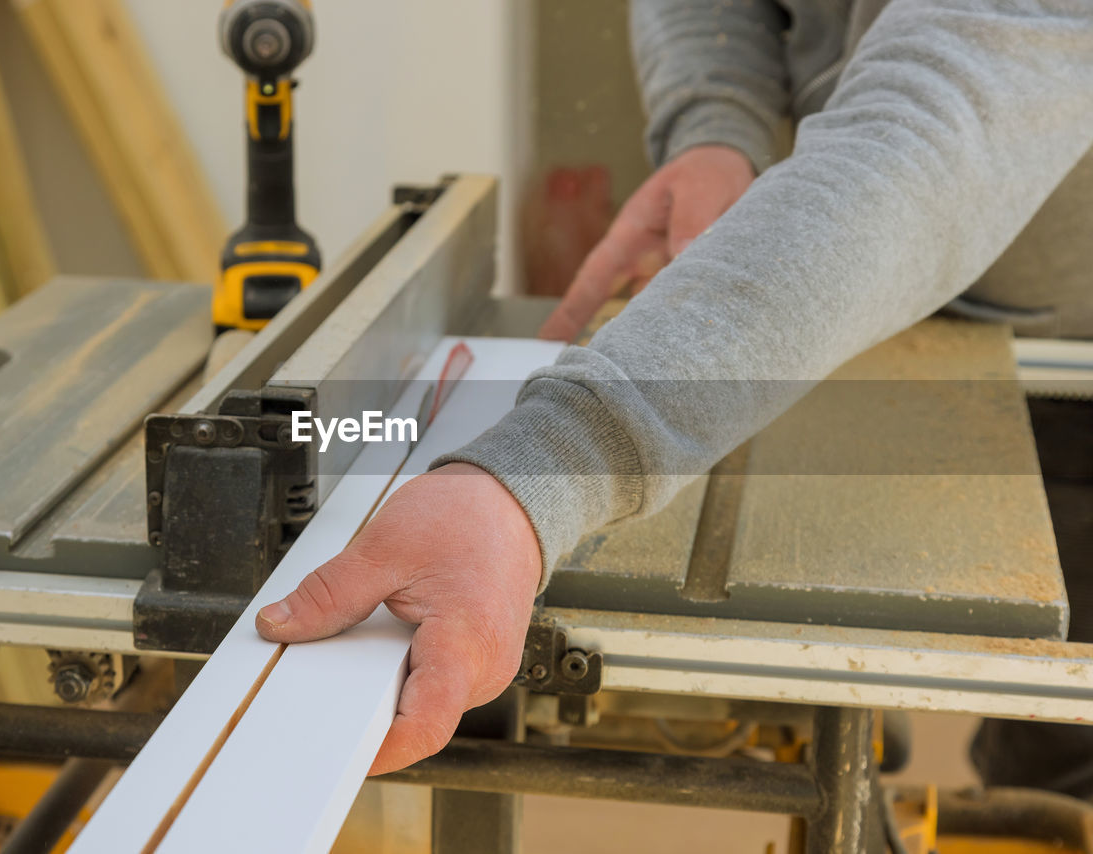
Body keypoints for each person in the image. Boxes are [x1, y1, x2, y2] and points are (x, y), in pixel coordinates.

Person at [257, 0, 1093, 780]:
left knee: (1059, 753)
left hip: (1061, 345)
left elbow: (929, 140)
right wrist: (715, 126)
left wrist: (540, 472)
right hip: (874, 266)